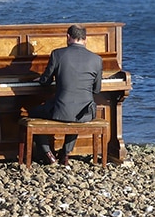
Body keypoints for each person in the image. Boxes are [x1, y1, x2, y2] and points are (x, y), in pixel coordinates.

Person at [29, 24, 103, 165]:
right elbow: (97, 90)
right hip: (85, 113)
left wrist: (43, 78)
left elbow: (45, 81)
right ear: (85, 39)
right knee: (76, 114)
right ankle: (65, 154)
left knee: (33, 113)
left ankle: (48, 154)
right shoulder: (97, 59)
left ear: (68, 37)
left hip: (61, 110)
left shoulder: (58, 54)